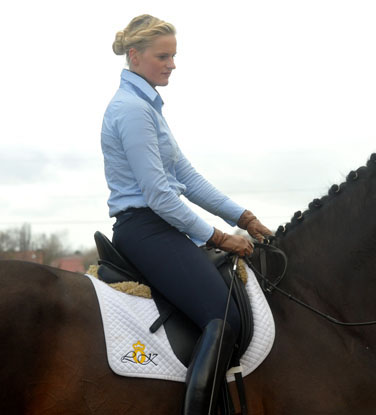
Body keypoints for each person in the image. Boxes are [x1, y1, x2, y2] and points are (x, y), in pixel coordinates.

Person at [101, 14, 272, 414]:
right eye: (163, 56)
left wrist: (244, 218)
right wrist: (218, 237)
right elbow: (160, 195)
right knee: (223, 316)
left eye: (173, 56)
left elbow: (187, 179)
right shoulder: (132, 110)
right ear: (135, 55)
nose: (172, 64)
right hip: (146, 228)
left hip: (162, 227)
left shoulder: (148, 107)